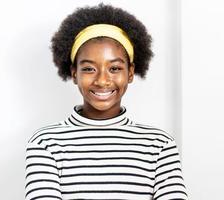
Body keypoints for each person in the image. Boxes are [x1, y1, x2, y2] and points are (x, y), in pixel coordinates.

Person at [24, 4, 187, 200]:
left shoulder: (159, 145)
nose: (102, 80)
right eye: (89, 69)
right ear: (74, 73)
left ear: (131, 73)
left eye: (115, 68)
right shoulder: (46, 143)